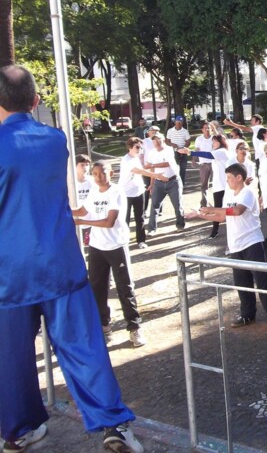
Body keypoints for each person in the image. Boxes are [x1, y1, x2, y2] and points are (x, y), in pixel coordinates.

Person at [0, 65, 144, 453]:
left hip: (9, 271)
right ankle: (113, 426)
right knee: (83, 346)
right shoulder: (54, 139)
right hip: (60, 262)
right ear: (34, 101)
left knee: (10, 357)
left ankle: (18, 429)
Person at [189, 163, 267, 328]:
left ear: (239, 177)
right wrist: (200, 215)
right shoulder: (229, 195)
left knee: (263, 281)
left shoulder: (247, 193)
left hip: (252, 242)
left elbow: (237, 211)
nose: (227, 181)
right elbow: (222, 217)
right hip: (235, 246)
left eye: (228, 178)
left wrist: (213, 208)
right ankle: (248, 314)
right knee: (242, 283)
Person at [73, 161, 147, 348]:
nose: (98, 177)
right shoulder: (93, 191)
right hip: (97, 247)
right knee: (97, 287)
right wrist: (65, 212)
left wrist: (81, 221)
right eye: (95, 174)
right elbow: (83, 210)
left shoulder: (117, 192)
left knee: (124, 287)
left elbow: (109, 222)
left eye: (102, 173)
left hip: (116, 246)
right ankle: (104, 325)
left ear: (111, 173)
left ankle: (134, 327)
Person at [118, 137, 168, 250]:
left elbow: (144, 169)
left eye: (141, 148)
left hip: (139, 191)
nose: (139, 150)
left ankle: (141, 240)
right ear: (130, 147)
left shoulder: (137, 158)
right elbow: (139, 171)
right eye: (137, 147)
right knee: (124, 218)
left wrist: (151, 181)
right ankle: (122, 241)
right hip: (126, 193)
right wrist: (157, 176)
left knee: (140, 217)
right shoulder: (126, 160)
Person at [181, 134, 231, 239]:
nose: (212, 143)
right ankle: (215, 231)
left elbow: (207, 155)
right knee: (218, 209)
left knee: (225, 209)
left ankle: (218, 231)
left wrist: (190, 152)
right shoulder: (218, 152)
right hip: (219, 186)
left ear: (220, 142)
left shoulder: (222, 152)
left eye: (214, 141)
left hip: (225, 187)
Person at [144, 133, 185, 235]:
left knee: (177, 205)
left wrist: (152, 165)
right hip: (159, 182)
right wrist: (152, 183)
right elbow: (152, 169)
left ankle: (180, 225)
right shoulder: (151, 152)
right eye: (154, 140)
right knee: (154, 206)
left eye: (158, 140)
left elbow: (167, 163)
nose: (156, 142)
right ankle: (152, 229)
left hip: (173, 181)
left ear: (163, 140)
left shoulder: (169, 149)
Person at [193, 122, 215, 208]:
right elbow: (197, 150)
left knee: (217, 184)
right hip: (204, 164)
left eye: (209, 128)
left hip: (214, 163)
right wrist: (194, 159)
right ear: (202, 129)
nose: (207, 129)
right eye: (205, 128)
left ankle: (218, 204)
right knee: (204, 185)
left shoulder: (214, 138)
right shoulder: (199, 139)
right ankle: (203, 204)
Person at [165, 116, 191, 184]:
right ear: (175, 122)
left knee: (183, 168)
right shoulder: (170, 131)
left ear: (182, 123)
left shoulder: (185, 131)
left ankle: (181, 183)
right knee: (174, 167)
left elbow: (188, 141)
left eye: (180, 122)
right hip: (174, 151)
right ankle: (174, 182)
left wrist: (184, 148)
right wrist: (172, 145)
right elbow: (167, 141)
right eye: (178, 122)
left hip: (183, 151)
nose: (179, 123)